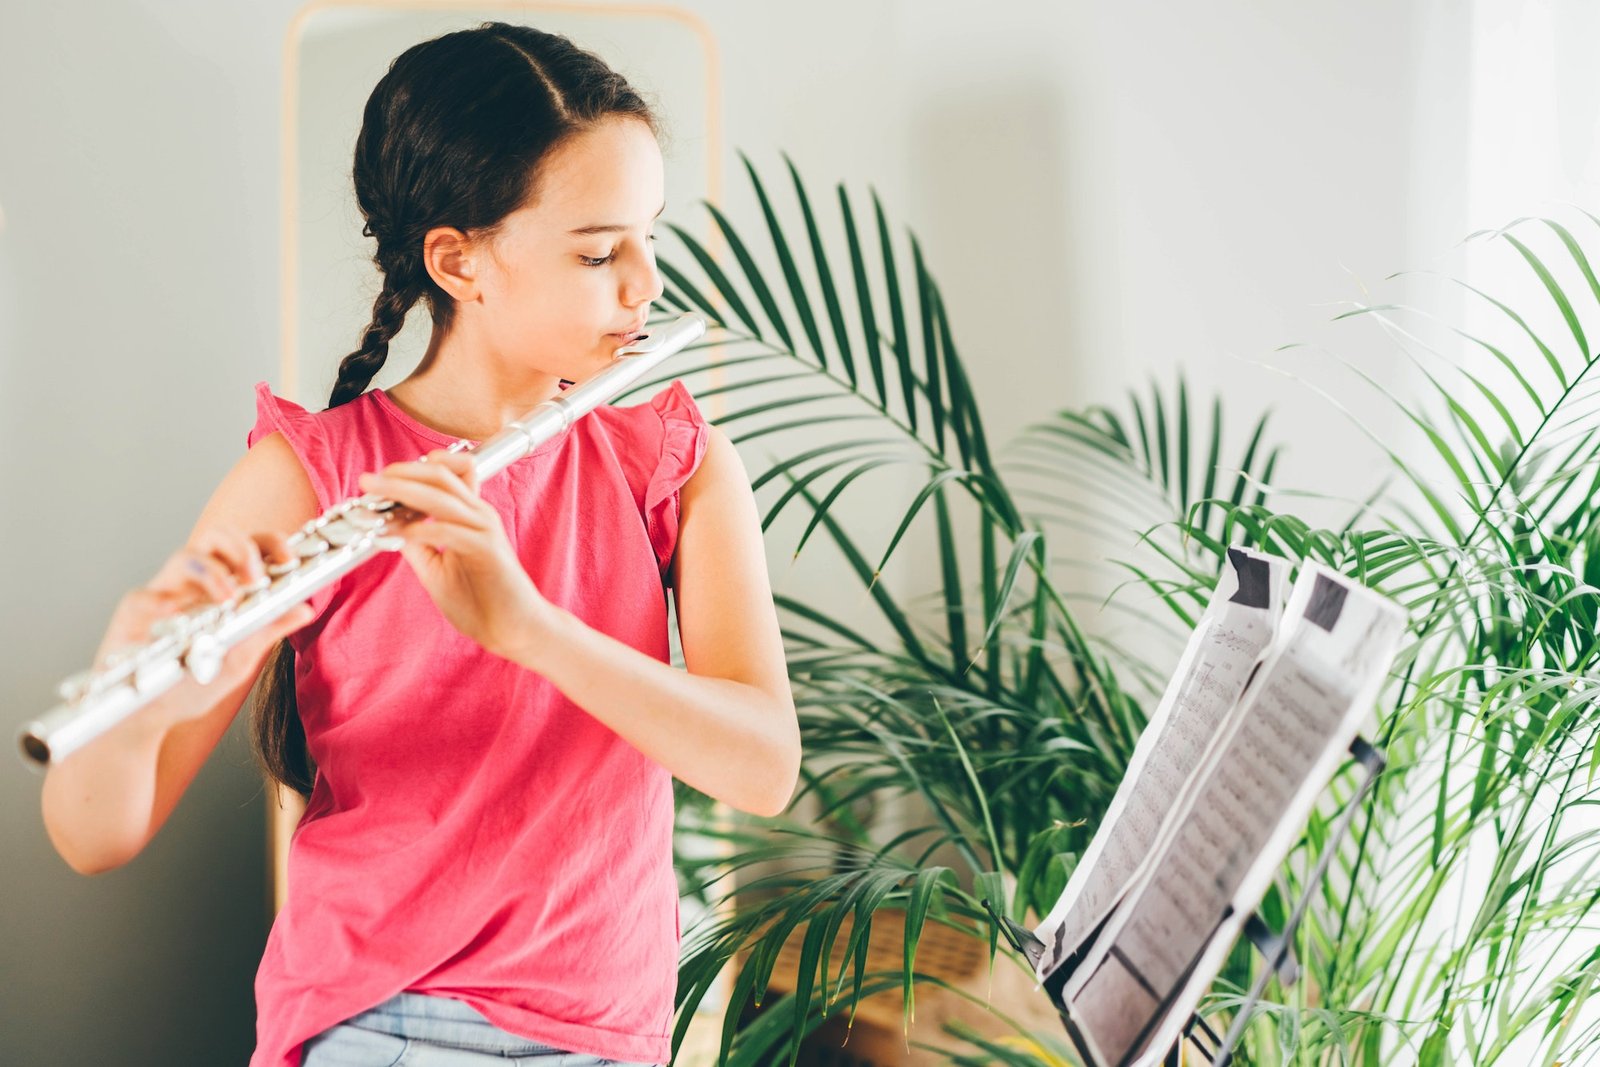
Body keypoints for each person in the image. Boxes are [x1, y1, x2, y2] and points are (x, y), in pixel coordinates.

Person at [38, 21, 799, 1067]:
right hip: (379, 1021)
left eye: (648, 237)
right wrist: (140, 704)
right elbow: (93, 835)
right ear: (458, 260)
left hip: (609, 1032)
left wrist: (527, 627)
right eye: (596, 251)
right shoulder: (306, 477)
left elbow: (762, 767)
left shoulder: (668, 459)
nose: (643, 283)